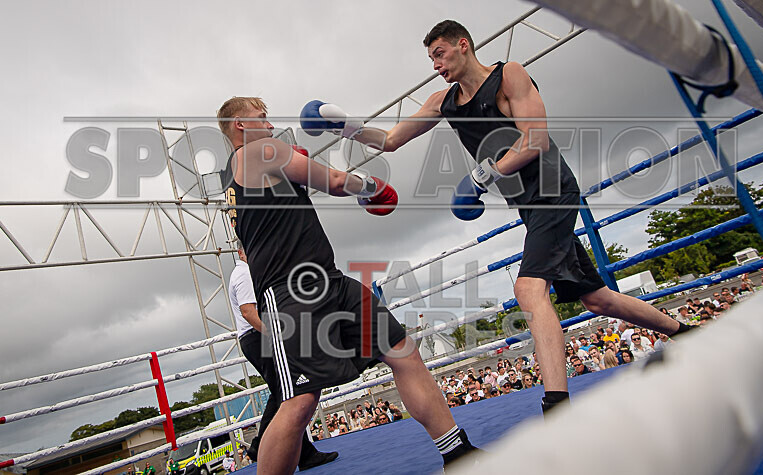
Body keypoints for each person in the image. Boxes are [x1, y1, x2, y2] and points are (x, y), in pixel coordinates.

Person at [301, 18, 694, 418]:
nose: (436, 65)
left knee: (528, 290)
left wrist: (484, 174)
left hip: (553, 190)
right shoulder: (443, 101)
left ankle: (557, 405)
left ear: (463, 45)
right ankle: (687, 334)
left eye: (440, 53)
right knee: (595, 297)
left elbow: (535, 138)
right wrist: (346, 125)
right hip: (530, 204)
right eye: (431, 58)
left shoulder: (510, 75)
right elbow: (390, 141)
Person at [218, 97, 479, 475]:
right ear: (240, 126)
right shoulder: (260, 150)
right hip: (292, 295)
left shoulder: (239, 173)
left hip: (332, 280)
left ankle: (457, 452)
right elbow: (336, 181)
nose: (270, 124)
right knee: (300, 402)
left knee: (401, 351)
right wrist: (371, 186)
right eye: (262, 118)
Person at [228, 245, 338, 471]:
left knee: (284, 392)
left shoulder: (244, 273)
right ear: (241, 252)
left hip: (255, 338)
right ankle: (261, 445)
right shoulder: (244, 274)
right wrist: (273, 333)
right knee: (284, 392)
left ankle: (304, 453)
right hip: (257, 337)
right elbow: (249, 311)